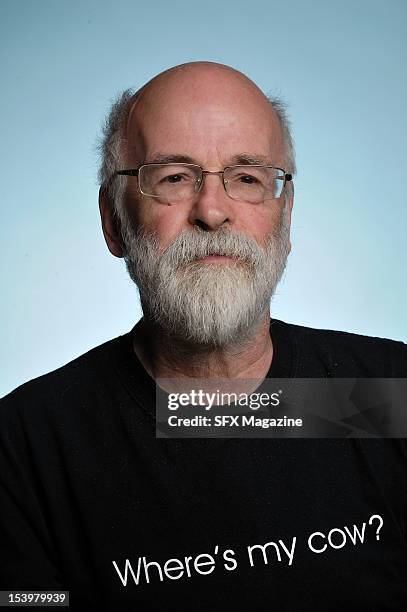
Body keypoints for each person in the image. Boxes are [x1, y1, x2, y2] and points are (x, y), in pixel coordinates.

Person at [1, 62, 406, 611]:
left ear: (285, 216)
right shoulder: (27, 447)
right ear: (113, 221)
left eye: (246, 178)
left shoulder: (386, 395)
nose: (212, 211)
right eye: (173, 177)